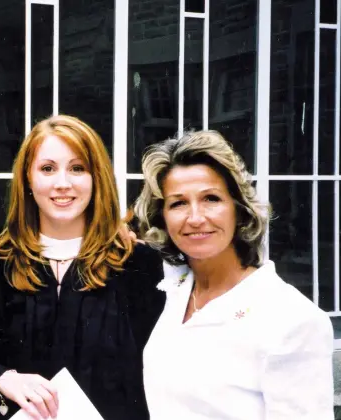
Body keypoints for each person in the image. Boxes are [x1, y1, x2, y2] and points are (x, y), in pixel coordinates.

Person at [134, 130, 334, 419]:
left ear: (238, 210)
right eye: (178, 203)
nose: (195, 218)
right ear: (162, 216)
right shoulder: (174, 290)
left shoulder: (293, 320)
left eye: (211, 199)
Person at [0, 115, 165, 420]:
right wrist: (2, 377)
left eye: (78, 168)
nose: (62, 183)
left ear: (97, 178)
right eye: (47, 169)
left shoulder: (138, 265)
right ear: (27, 177)